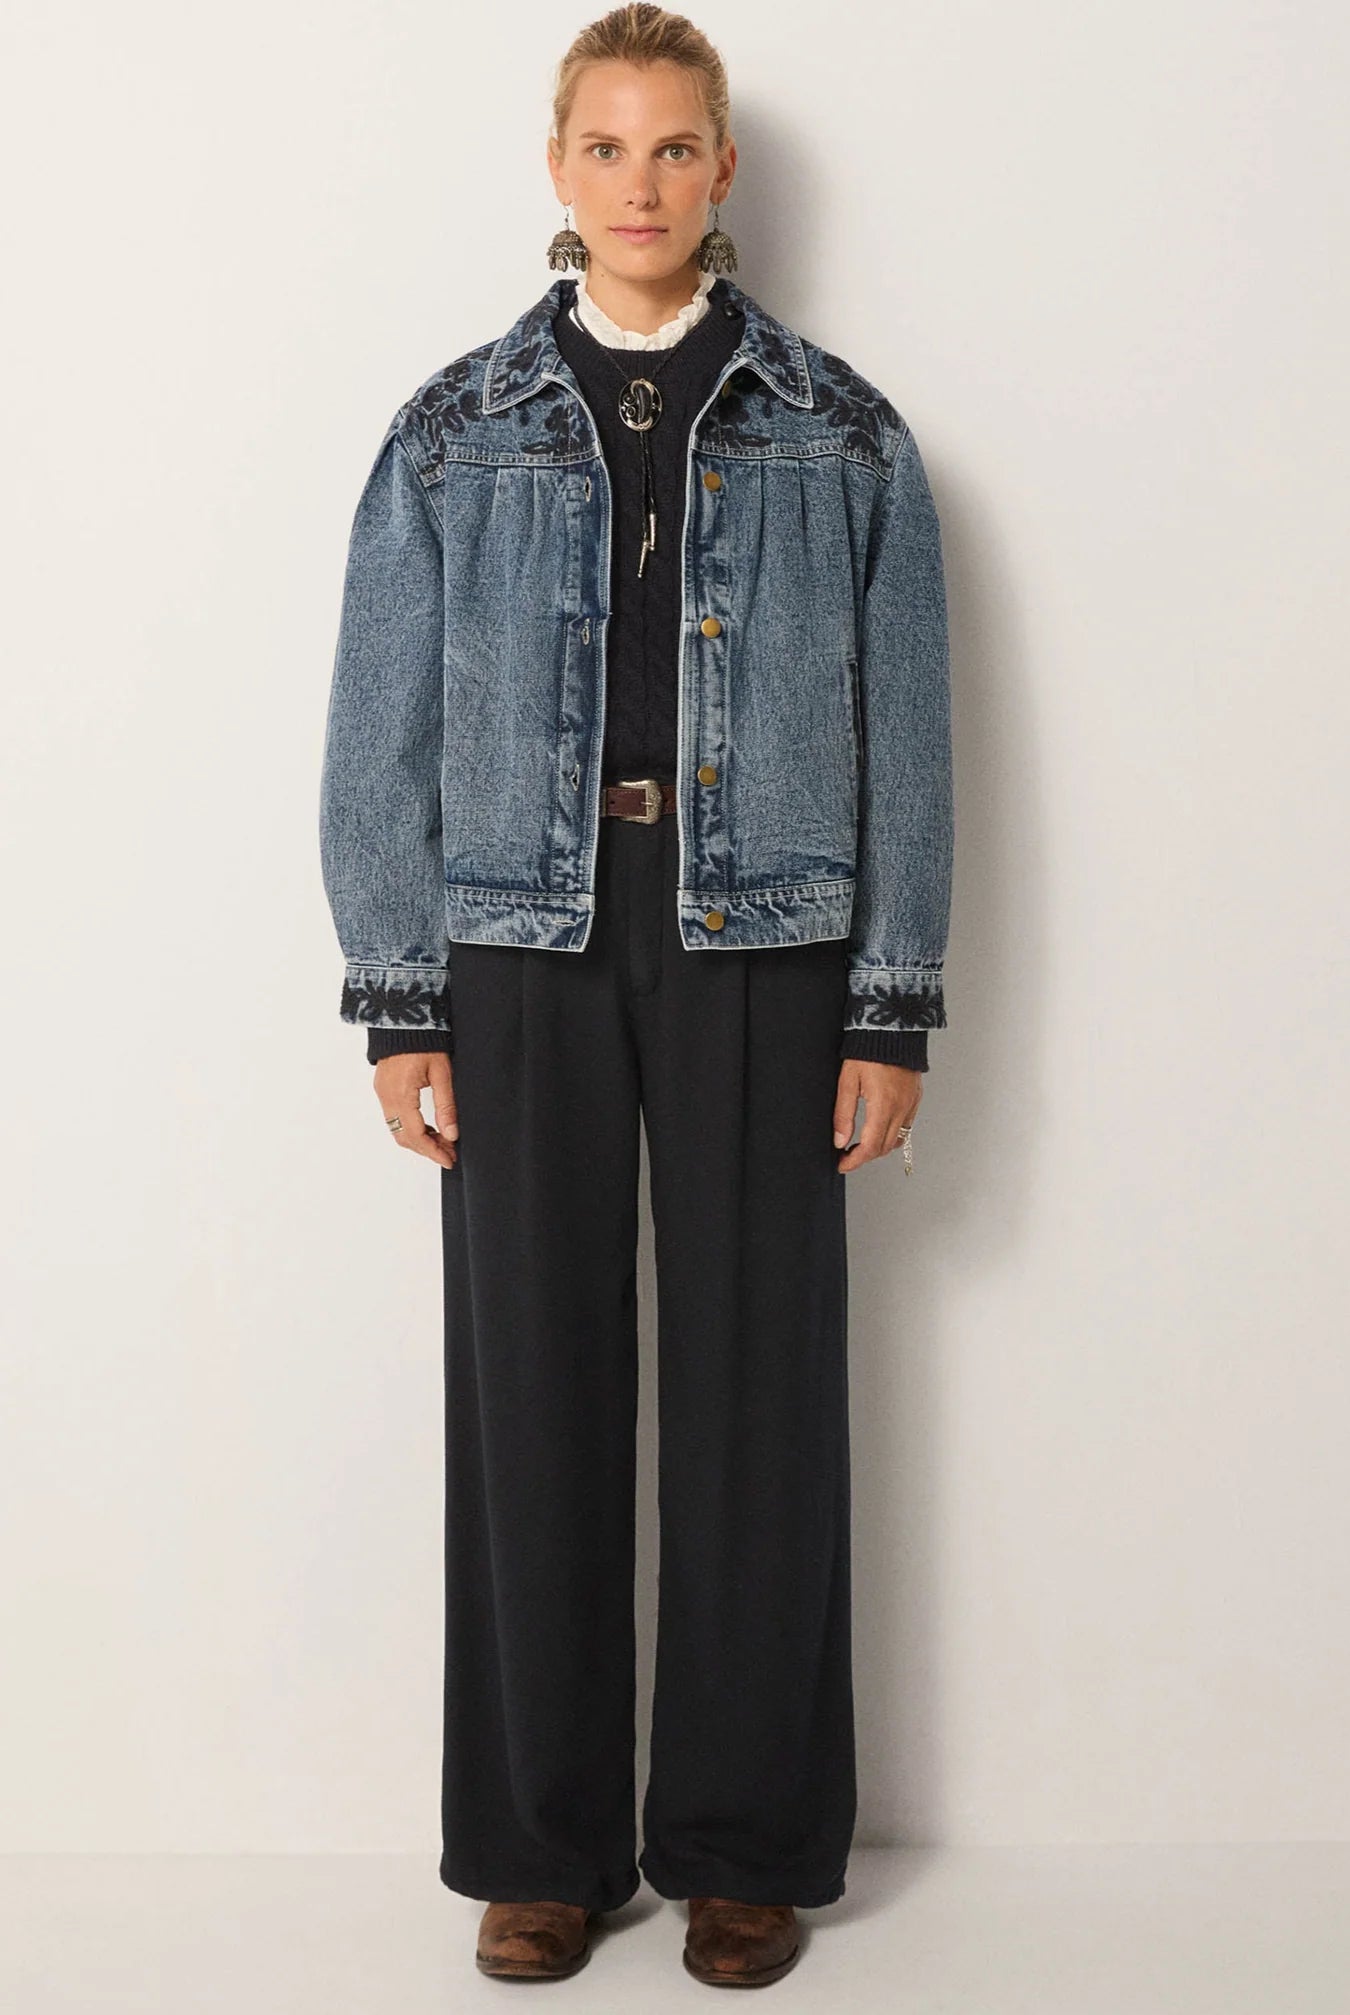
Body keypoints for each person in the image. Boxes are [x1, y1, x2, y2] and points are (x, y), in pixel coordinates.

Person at [318, 3, 953, 1988]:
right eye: (607, 147)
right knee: (530, 1388)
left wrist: (890, 1002)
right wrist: (399, 993)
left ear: (724, 169)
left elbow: (913, 737)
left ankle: (744, 1845)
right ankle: (543, 1845)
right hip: (520, 944)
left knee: (763, 1393)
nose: (642, 183)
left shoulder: (842, 430)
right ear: (557, 169)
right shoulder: (455, 426)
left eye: (676, 147)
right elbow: (377, 732)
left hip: (766, 943)